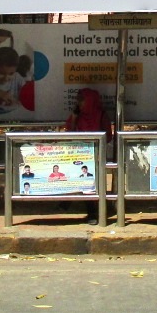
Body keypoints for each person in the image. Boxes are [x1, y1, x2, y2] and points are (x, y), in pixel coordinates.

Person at [64, 88, 113, 224]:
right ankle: (87, 209)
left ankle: (96, 212)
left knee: (93, 183)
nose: (79, 103)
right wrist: (74, 117)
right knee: (82, 181)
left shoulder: (102, 115)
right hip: (79, 154)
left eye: (82, 100)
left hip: (95, 154)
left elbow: (108, 135)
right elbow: (69, 130)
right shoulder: (78, 115)